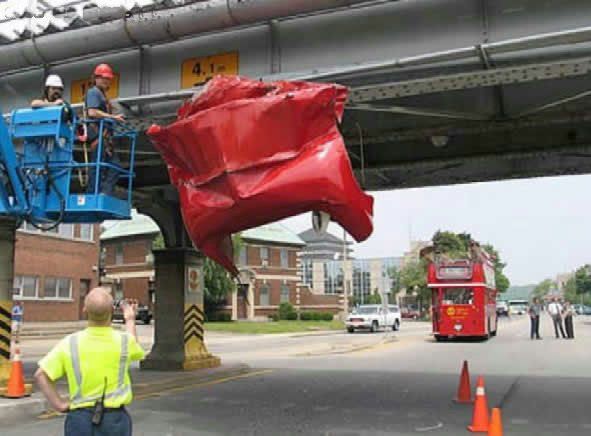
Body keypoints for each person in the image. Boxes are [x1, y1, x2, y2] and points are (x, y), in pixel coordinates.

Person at [34, 288, 144, 436]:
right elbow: (135, 347)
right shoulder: (124, 341)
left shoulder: (70, 342)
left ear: (84, 309)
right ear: (112, 310)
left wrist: (59, 404)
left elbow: (40, 375)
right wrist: (130, 319)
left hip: (80, 419)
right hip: (114, 420)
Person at [85, 64, 125, 196]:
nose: (106, 81)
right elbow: (92, 112)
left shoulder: (102, 95)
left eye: (108, 79)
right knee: (98, 167)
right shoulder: (93, 92)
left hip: (105, 138)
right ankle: (93, 195)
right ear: (96, 78)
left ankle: (104, 193)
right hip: (99, 137)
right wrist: (112, 117)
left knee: (114, 166)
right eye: (104, 78)